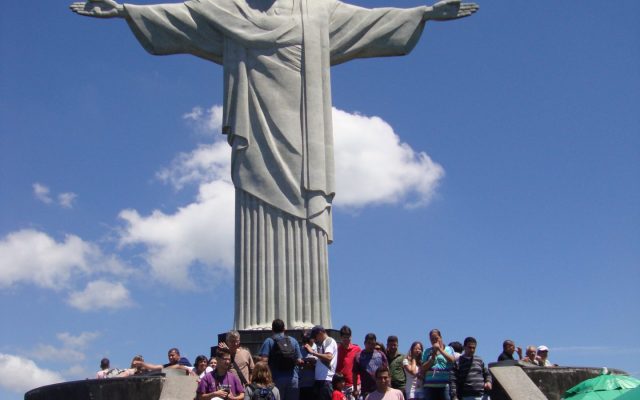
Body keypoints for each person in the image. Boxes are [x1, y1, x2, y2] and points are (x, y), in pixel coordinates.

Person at [69, 0, 479, 331]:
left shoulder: (318, 12)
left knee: (304, 214)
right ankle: (252, 323)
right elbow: (180, 18)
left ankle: (313, 322)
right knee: (256, 212)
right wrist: (125, 11)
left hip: (304, 141)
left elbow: (372, 23)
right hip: (257, 138)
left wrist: (422, 13)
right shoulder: (226, 10)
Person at [259, 319, 303, 400]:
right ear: (284, 329)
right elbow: (299, 360)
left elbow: (263, 361)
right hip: (293, 379)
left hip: (275, 379)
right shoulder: (293, 341)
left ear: (272, 329)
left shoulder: (269, 341)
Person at [306, 325, 338, 400]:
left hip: (325, 380)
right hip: (321, 380)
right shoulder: (324, 343)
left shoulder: (328, 341)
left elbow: (329, 357)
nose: (316, 339)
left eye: (315, 336)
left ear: (320, 333)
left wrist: (313, 352)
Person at [421, 329, 455, 400]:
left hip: (444, 385)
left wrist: (440, 350)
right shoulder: (426, 351)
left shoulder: (449, 349)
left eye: (436, 338)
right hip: (430, 386)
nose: (434, 341)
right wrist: (433, 356)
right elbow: (423, 368)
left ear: (440, 337)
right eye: (432, 339)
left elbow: (452, 360)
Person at [353, 333, 388, 400]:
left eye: (373, 344)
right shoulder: (358, 357)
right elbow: (354, 374)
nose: (371, 346)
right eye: (369, 343)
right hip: (366, 391)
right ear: (364, 343)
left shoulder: (381, 355)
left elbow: (387, 372)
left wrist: (389, 387)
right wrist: (355, 389)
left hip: (380, 390)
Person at [337, 326, 361, 399]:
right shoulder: (337, 349)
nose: (346, 339)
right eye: (344, 337)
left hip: (354, 384)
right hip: (341, 385)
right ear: (341, 337)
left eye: (348, 337)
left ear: (351, 337)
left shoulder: (357, 349)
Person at [300, 332, 317, 400]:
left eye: (307, 340)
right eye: (304, 340)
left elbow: (316, 365)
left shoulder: (317, 349)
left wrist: (305, 363)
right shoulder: (300, 349)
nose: (306, 343)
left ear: (312, 339)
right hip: (301, 384)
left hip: (313, 384)